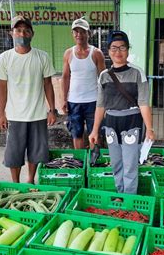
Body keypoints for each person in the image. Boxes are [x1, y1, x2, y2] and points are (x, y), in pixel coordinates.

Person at [88, 31, 155, 194]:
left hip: (132, 122)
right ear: (108, 51)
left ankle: (129, 199)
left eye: (122, 47)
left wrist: (150, 129)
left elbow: (144, 102)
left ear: (128, 49)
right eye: (114, 48)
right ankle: (120, 194)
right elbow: (100, 105)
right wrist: (95, 130)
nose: (118, 52)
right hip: (111, 124)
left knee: (130, 165)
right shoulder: (104, 76)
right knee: (117, 163)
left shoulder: (137, 73)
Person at [0, 15, 57, 184]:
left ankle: (30, 180)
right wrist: (1, 113)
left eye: (26, 31)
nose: (22, 34)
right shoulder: (5, 58)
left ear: (32, 34)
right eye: (18, 30)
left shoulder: (42, 57)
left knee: (35, 152)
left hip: (37, 114)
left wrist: (52, 110)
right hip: (15, 115)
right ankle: (15, 183)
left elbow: (48, 85)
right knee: (14, 153)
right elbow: (2, 87)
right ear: (11, 33)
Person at [62, 18, 105, 149]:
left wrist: (105, 102)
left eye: (82, 32)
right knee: (77, 134)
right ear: (72, 34)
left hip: (93, 101)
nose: (79, 35)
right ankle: (79, 163)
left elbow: (103, 78)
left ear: (89, 34)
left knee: (95, 134)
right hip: (74, 101)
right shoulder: (68, 53)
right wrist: (64, 100)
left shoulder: (96, 53)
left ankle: (94, 164)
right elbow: (65, 77)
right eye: (76, 32)